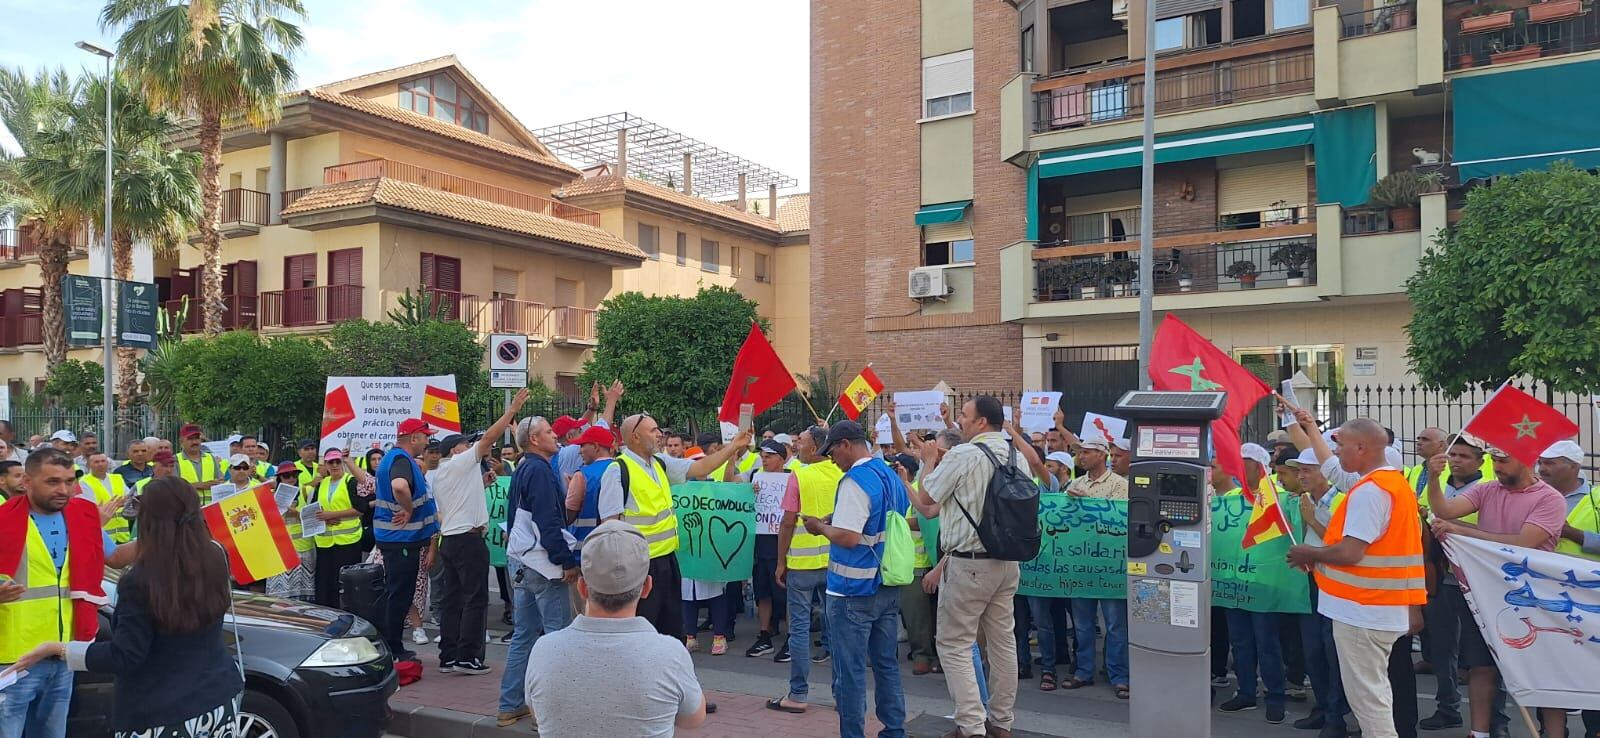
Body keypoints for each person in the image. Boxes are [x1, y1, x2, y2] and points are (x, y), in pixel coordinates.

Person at [5, 476, 242, 738]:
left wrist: (58, 649)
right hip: (220, 699)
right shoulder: (216, 555)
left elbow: (125, 656)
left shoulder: (140, 581)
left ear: (149, 519)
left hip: (160, 712)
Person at [1287, 419, 1426, 738]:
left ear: (1361, 448)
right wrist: (1308, 427)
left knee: (1369, 702)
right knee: (1375, 695)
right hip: (1377, 609)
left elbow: (1351, 552)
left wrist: (1309, 553)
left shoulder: (1370, 492)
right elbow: (1334, 469)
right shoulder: (1389, 483)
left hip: (1362, 611)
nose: (1335, 452)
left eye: (1341, 445)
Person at [1426, 443, 1569, 738]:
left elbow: (1523, 542)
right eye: (1494, 460)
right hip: (1487, 594)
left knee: (1544, 675)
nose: (1497, 467)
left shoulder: (1550, 499)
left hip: (1534, 599)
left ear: (1527, 459)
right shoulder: (1488, 489)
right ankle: (1478, 733)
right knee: (1481, 667)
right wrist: (1432, 478)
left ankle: (1555, 733)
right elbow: (1444, 509)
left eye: (1503, 460)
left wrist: (1463, 531)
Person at [522, 520, 706, 735]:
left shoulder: (544, 650)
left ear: (582, 587)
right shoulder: (671, 653)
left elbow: (537, 712)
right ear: (647, 587)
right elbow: (693, 719)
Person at [908, 396, 1023, 738]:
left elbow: (927, 500)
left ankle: (971, 725)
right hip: (1007, 561)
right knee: (1003, 643)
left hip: (969, 563)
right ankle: (1002, 723)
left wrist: (928, 461)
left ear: (982, 422)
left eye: (965, 415)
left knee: (954, 644)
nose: (960, 420)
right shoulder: (1015, 454)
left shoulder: (964, 454)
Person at [0, 448, 135, 738]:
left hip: (64, 653)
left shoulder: (83, 517)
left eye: (69, 481)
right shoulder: (2, 521)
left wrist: (168, 532)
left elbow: (117, 558)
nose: (64, 489)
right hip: (12, 657)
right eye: (52, 482)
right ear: (26, 481)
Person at [597, 414, 751, 641]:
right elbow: (609, 526)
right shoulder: (617, 470)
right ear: (635, 437)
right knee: (644, 631)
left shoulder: (660, 463)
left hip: (668, 561)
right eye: (653, 430)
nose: (660, 434)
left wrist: (733, 447)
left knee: (670, 629)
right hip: (639, 566)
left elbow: (700, 467)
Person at [802, 420, 907, 738]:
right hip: (886, 584)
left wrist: (820, 527)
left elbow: (848, 538)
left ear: (846, 444)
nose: (831, 458)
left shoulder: (853, 481)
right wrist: (838, 519)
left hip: (851, 591)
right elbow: (880, 519)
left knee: (850, 672)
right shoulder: (888, 474)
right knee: (887, 664)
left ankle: (853, 733)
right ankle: (894, 729)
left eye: (832, 451)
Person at [435, 389, 527, 677]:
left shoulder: (444, 472)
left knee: (453, 599)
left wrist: (484, 485)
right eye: (467, 444)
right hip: (467, 539)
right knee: (475, 598)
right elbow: (488, 439)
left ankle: (449, 655)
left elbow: (462, 498)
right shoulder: (460, 463)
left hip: (450, 539)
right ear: (456, 451)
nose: (476, 447)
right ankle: (469, 656)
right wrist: (511, 411)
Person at [498, 414, 579, 726]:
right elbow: (548, 523)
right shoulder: (541, 471)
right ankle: (548, 713)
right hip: (543, 564)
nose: (555, 436)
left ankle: (510, 705)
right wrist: (566, 562)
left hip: (522, 562)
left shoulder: (523, 468)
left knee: (524, 635)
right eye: (548, 432)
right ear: (534, 439)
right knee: (556, 638)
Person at [1415, 434, 1490, 731]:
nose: (1457, 461)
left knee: (1482, 654)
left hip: (1475, 579)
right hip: (1439, 575)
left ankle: (1493, 720)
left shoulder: (1486, 491)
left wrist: (1449, 523)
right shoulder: (1438, 485)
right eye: (1453, 455)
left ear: (1480, 461)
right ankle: (1448, 706)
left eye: (1464, 456)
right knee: (1443, 647)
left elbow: (1484, 529)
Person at [768, 425, 843, 714]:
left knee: (798, 629)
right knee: (837, 628)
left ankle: (798, 695)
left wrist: (780, 560)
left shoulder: (800, 474)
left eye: (802, 443)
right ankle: (841, 694)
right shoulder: (842, 474)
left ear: (815, 447)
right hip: (835, 562)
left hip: (801, 565)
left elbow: (788, 521)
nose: (797, 447)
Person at [1056, 437, 1131, 698]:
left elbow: (1118, 522)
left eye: (1086, 452)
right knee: (1083, 624)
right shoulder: (1075, 484)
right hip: (1081, 563)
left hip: (1109, 566)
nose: (1081, 457)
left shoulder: (1120, 486)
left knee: (1115, 625)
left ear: (1102, 455)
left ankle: (1119, 674)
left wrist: (1087, 503)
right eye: (1079, 453)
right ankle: (1083, 671)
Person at [1289, 448, 1351, 738]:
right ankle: (1323, 708)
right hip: (1311, 581)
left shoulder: (1342, 501)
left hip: (1336, 585)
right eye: (1299, 470)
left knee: (1332, 651)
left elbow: (1344, 547)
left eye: (1307, 470)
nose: (1301, 475)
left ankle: (1335, 715)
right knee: (1312, 650)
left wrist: (1312, 519)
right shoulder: (1301, 501)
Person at [374, 418, 442, 660]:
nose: (427, 441)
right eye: (425, 436)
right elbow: (400, 486)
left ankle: (392, 645)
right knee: (400, 594)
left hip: (397, 538)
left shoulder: (393, 458)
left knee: (398, 592)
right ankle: (393, 648)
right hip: (401, 539)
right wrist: (409, 508)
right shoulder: (401, 460)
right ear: (413, 438)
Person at [739, 439, 796, 659]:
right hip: (759, 542)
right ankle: (765, 635)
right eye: (762, 455)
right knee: (762, 592)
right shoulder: (755, 476)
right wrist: (747, 492)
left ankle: (792, 638)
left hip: (782, 542)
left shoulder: (792, 476)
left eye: (769, 456)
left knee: (787, 593)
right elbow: (730, 484)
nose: (764, 459)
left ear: (781, 459)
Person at [265, 460, 316, 603]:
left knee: (303, 590)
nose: (291, 478)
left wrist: (297, 513)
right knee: (279, 593)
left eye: (294, 474)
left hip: (304, 548)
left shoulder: (307, 492)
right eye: (287, 475)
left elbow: (316, 516)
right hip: (280, 548)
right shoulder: (269, 496)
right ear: (279, 478)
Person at [554, 381, 622, 485]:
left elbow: (584, 423)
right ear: (569, 436)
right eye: (580, 431)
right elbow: (602, 427)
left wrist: (592, 408)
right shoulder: (573, 452)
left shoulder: (559, 453)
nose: (584, 431)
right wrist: (611, 401)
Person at [79, 452, 131, 544]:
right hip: (103, 535)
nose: (100, 464)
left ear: (108, 463)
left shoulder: (117, 478)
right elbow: (90, 506)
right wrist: (118, 503)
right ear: (89, 465)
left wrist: (109, 504)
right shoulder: (84, 482)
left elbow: (127, 498)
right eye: (96, 462)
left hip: (123, 535)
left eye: (103, 461)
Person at [173, 425, 223, 505]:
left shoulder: (211, 458)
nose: (195, 442)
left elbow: (221, 482)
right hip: (186, 510)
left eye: (197, 438)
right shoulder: (175, 460)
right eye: (190, 439)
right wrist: (199, 485)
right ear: (181, 441)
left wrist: (218, 483)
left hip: (210, 510)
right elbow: (173, 487)